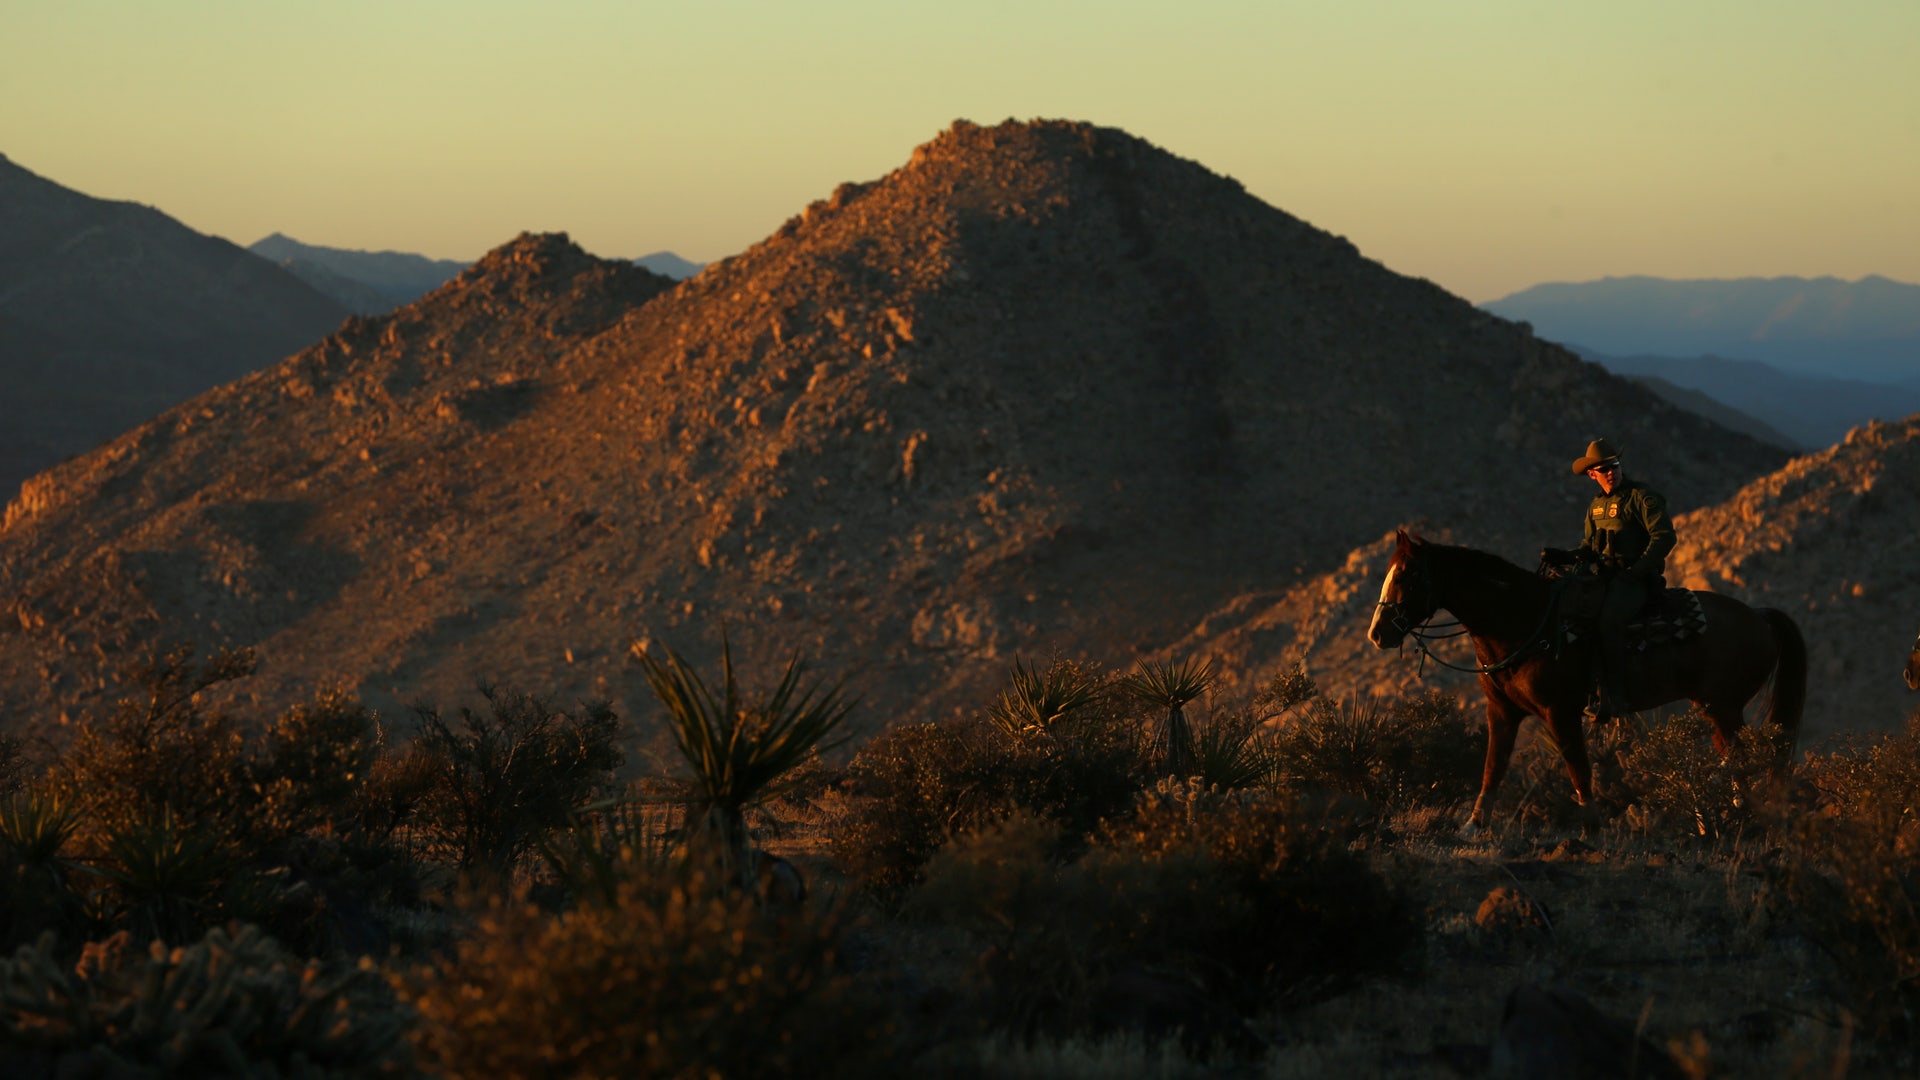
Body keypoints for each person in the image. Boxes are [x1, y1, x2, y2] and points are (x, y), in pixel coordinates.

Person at [1571, 438, 1676, 716]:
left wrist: (1638, 569)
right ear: (1592, 474)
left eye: (1614, 465)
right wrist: (1568, 557)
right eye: (1603, 469)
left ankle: (1616, 696)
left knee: (1609, 621)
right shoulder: (1595, 507)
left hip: (1635, 579)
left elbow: (1664, 536)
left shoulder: (1642, 497)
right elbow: (1588, 544)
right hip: (1603, 577)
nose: (1610, 472)